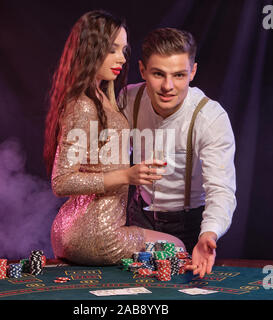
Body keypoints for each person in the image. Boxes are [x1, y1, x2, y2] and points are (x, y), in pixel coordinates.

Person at [43, 11, 185, 266]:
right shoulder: (84, 105)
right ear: (90, 50)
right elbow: (61, 181)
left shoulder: (100, 98)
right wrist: (126, 176)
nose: (121, 58)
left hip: (73, 230)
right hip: (98, 235)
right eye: (112, 49)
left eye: (123, 50)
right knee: (178, 247)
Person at [122, 28, 236, 277]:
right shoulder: (128, 99)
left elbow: (221, 189)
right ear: (142, 70)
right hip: (139, 217)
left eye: (179, 75)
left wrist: (209, 232)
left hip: (191, 226)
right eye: (158, 74)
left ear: (193, 72)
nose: (168, 86)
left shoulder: (211, 117)